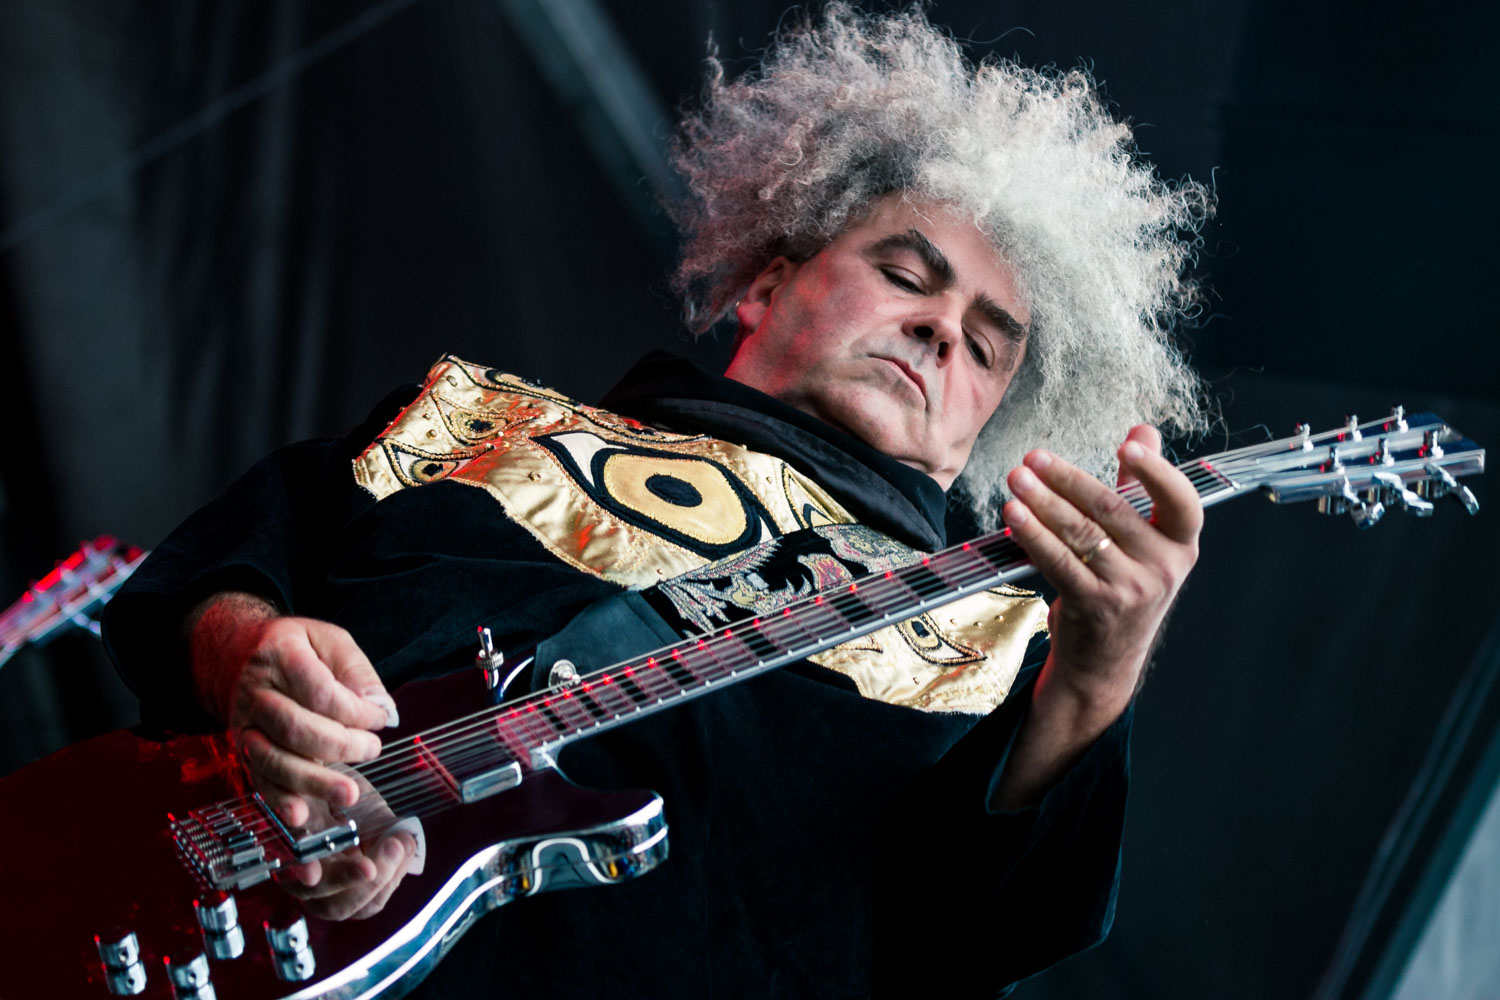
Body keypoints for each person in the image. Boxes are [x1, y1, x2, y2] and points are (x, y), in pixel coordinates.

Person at [104, 5, 1212, 996]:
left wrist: (1098, 677)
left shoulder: (1006, 643)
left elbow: (982, 937)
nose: (937, 332)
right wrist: (250, 657)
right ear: (771, 278)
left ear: (989, 424)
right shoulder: (476, 416)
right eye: (907, 277)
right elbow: (203, 573)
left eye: (982, 345)